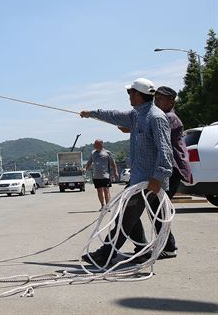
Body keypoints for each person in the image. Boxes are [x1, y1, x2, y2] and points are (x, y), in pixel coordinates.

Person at [80, 78, 174, 265]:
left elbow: (166, 151)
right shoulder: (136, 115)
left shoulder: (155, 118)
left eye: (130, 93)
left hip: (149, 181)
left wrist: (158, 177)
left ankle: (106, 253)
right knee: (134, 214)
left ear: (138, 95)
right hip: (139, 180)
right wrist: (91, 113)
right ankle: (151, 247)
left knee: (124, 217)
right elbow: (114, 115)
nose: (129, 96)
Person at [151, 85, 191, 259]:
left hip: (172, 168)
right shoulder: (162, 116)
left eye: (160, 99)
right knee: (158, 208)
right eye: (155, 98)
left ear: (171, 101)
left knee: (159, 208)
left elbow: (154, 132)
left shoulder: (169, 117)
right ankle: (166, 244)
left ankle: (168, 246)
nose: (156, 101)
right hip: (169, 168)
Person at [85, 140, 118, 210]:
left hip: (105, 175)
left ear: (101, 144)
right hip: (96, 176)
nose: (94, 145)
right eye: (94, 144)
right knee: (99, 190)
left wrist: (116, 172)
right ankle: (103, 205)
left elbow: (113, 163)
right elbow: (89, 162)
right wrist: (85, 169)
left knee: (106, 190)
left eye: (95, 144)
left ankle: (108, 206)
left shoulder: (107, 153)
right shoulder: (93, 153)